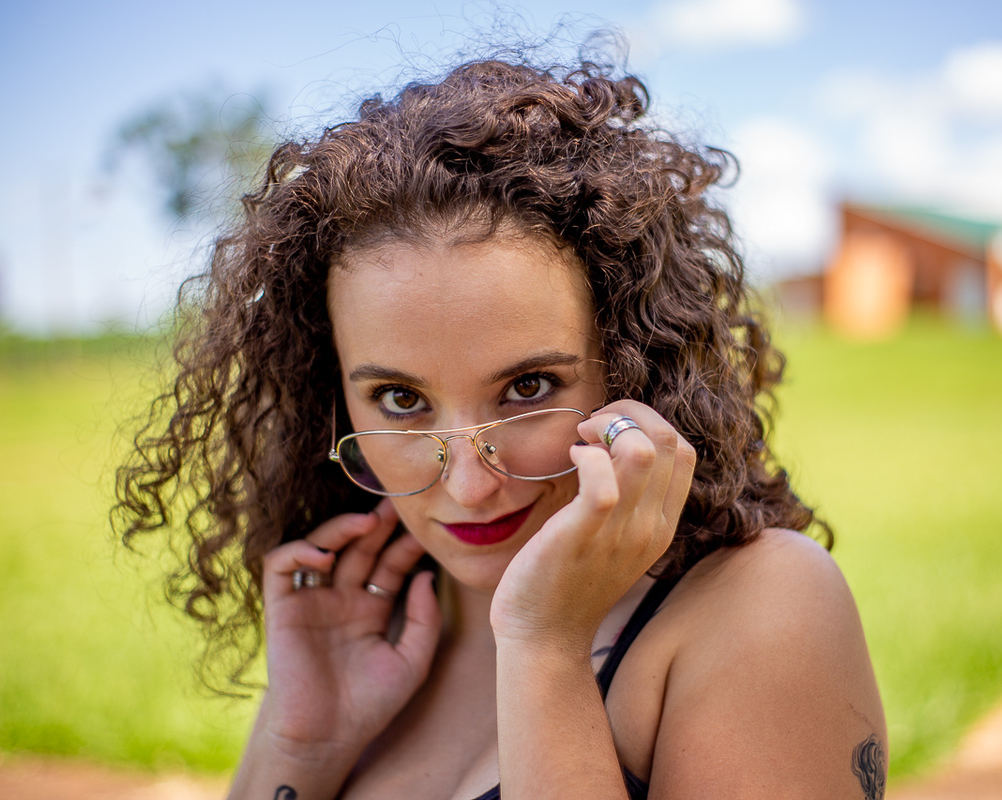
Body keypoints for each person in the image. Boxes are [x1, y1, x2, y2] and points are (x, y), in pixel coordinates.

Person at [115, 55, 887, 799]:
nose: (470, 483)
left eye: (528, 387)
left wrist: (544, 649)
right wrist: (301, 744)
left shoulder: (760, 605)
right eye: (400, 400)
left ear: (628, 366)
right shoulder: (370, 633)